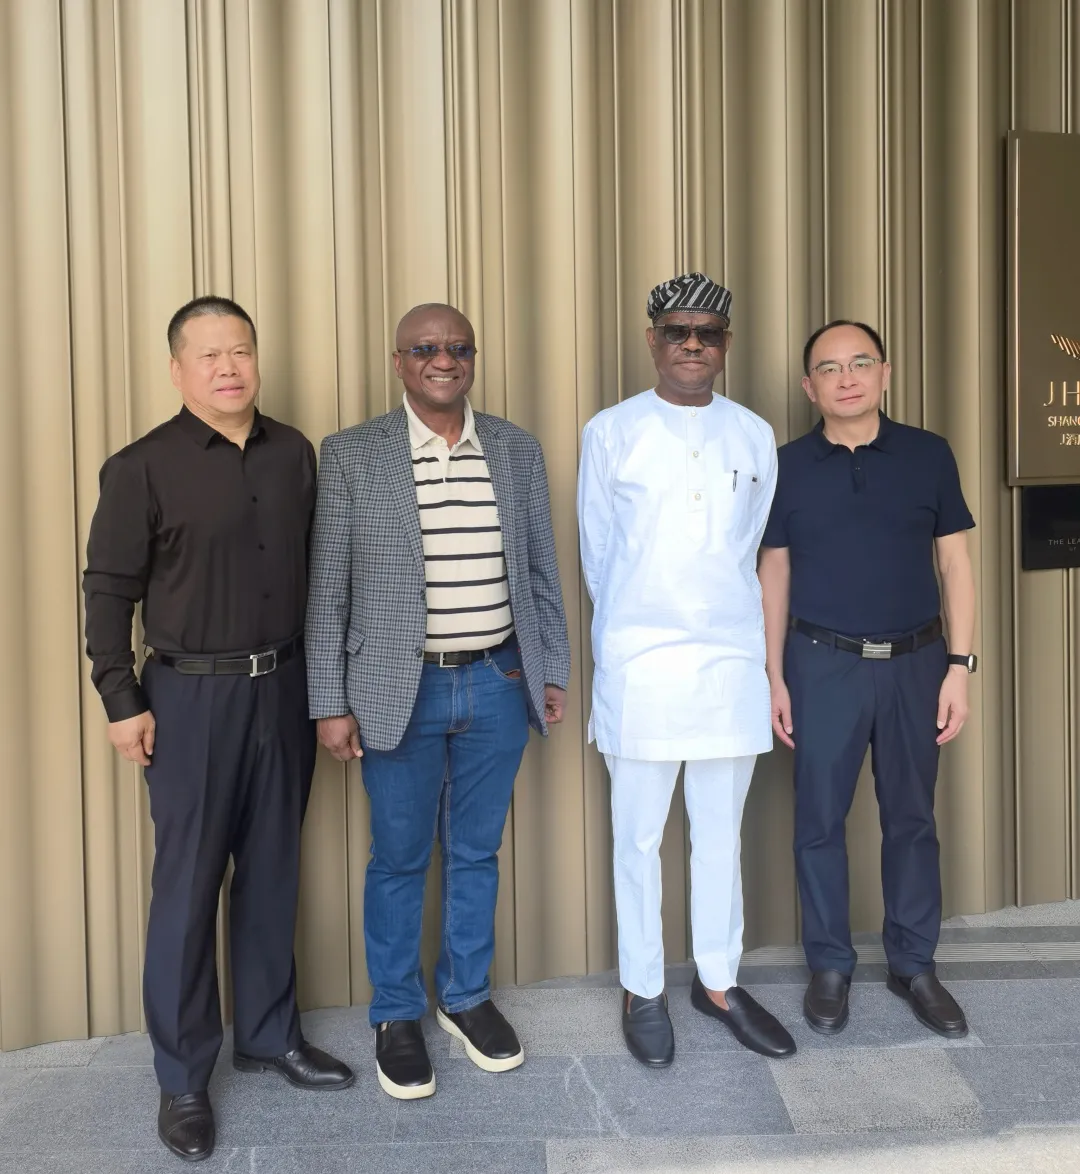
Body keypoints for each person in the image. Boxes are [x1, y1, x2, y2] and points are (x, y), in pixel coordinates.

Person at [83, 296, 353, 1162]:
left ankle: (269, 1037)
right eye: (208, 355)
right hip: (189, 701)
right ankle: (184, 1078)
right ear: (178, 370)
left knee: (272, 873)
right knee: (189, 887)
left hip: (284, 688)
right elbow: (107, 594)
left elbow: (321, 575)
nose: (228, 367)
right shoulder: (141, 468)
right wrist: (121, 700)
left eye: (240, 350)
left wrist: (328, 690)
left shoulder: (294, 453)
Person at [306, 303, 570, 1100]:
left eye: (457, 347)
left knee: (476, 851)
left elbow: (540, 571)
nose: (443, 359)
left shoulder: (515, 450)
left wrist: (550, 669)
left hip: (497, 681)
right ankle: (395, 1012)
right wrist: (328, 701)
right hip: (398, 689)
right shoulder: (352, 454)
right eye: (425, 348)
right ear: (400, 362)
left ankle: (465, 997)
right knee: (398, 857)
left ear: (473, 358)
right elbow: (328, 590)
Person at [577, 272, 797, 1069]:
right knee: (637, 840)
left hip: (730, 665)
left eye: (708, 333)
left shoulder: (753, 435)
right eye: (678, 332)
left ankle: (719, 982)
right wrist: (628, 641)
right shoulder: (612, 432)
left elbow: (755, 550)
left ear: (726, 344)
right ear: (654, 341)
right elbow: (599, 557)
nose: (692, 345)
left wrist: (763, 663)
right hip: (641, 668)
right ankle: (642, 988)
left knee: (719, 837)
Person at [759, 320, 977, 1039]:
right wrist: (774, 676)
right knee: (819, 822)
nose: (846, 377)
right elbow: (774, 573)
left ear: (884, 373)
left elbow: (955, 564)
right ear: (809, 386)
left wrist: (960, 667)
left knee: (911, 819)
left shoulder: (928, 454)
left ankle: (915, 964)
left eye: (860, 363)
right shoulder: (784, 466)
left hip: (918, 663)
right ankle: (830, 964)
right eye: (829, 368)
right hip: (821, 664)